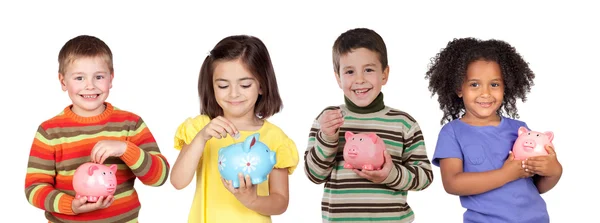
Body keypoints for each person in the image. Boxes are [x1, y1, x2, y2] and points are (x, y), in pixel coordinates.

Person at [24, 35, 171, 223]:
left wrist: (125, 149)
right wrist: (71, 205)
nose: (90, 85)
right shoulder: (50, 131)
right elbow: (34, 188)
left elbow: (159, 177)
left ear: (111, 78)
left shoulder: (130, 124)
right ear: (63, 82)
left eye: (99, 77)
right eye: (79, 77)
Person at [425, 37, 563, 222]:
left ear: (505, 87)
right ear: (459, 88)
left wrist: (554, 171)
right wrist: (506, 174)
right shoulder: (452, 133)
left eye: (494, 84)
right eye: (474, 84)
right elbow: (452, 183)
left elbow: (535, 186)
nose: (486, 93)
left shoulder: (520, 130)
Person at [303, 28, 434, 223]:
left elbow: (424, 176)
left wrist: (391, 174)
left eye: (369, 70)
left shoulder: (404, 123)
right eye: (349, 72)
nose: (359, 79)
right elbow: (314, 175)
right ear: (338, 78)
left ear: (384, 74)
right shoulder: (327, 120)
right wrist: (327, 138)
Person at [170, 35, 299, 223]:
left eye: (245, 85)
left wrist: (252, 200)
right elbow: (178, 182)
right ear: (212, 86)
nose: (233, 93)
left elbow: (281, 202)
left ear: (261, 85)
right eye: (223, 85)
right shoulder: (200, 128)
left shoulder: (275, 138)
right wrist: (201, 138)